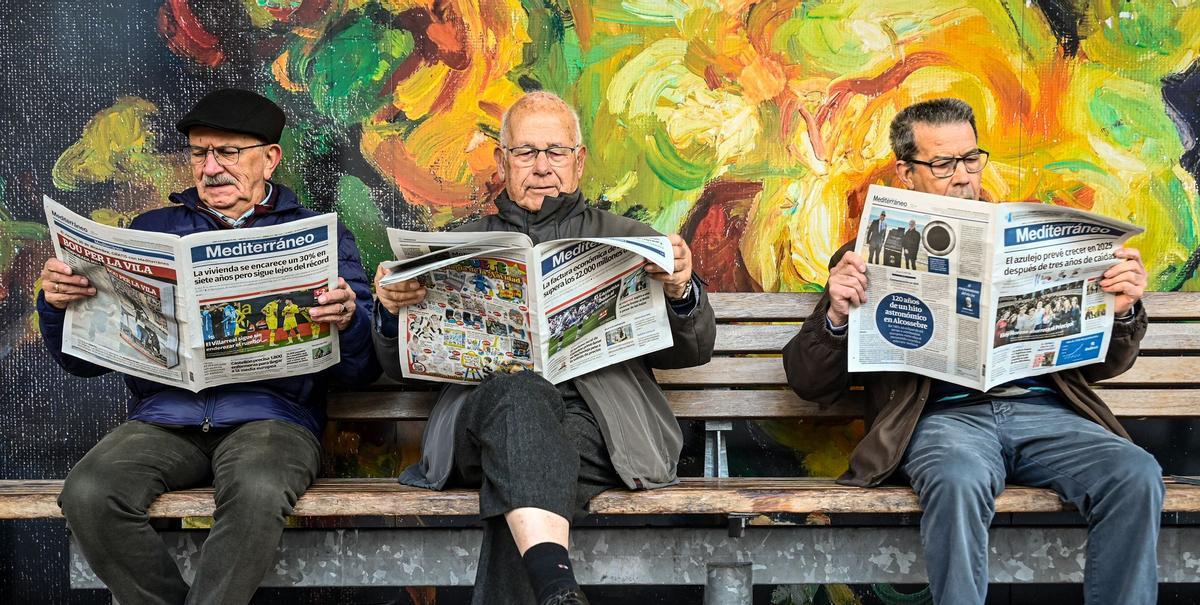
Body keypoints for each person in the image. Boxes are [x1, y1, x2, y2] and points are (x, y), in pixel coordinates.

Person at [781, 98, 1161, 605]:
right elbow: (809, 382)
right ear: (906, 172)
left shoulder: (1034, 241)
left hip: (1045, 413)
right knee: (956, 480)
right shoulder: (863, 256)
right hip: (944, 422)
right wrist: (836, 315)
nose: (961, 176)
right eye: (942, 163)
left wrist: (1123, 310)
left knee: (1137, 474)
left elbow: (1107, 364)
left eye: (970, 159)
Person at [38, 88, 380, 605]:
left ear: (270, 159)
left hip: (272, 418)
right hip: (165, 415)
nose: (211, 167)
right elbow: (78, 362)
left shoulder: (319, 235)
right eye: (200, 153)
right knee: (88, 492)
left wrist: (350, 320)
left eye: (228, 152)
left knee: (260, 490)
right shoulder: (151, 230)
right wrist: (56, 304)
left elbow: (362, 370)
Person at [373, 91, 716, 605]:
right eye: (526, 152)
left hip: (598, 425)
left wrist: (680, 291)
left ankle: (556, 588)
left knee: (524, 472)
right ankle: (557, 586)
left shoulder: (628, 238)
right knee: (521, 397)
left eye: (555, 152)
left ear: (578, 160)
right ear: (502, 161)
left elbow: (695, 349)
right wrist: (390, 309)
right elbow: (397, 369)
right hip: (483, 419)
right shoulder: (454, 246)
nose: (541, 167)